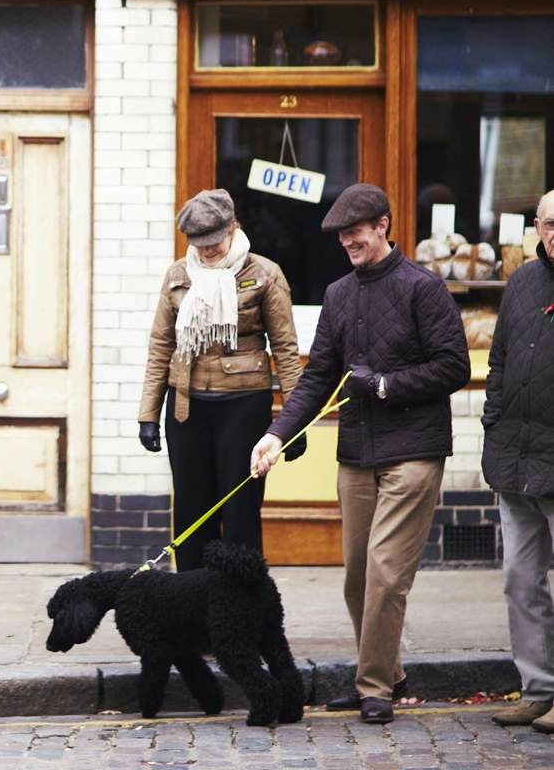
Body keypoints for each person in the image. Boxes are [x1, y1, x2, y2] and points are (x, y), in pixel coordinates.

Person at [250, 183, 470, 724]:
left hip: (414, 450)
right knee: (356, 576)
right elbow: (319, 375)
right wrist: (277, 433)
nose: (348, 240)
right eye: (342, 234)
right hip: (356, 453)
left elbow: (454, 367)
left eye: (357, 230)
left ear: (384, 226)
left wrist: (386, 386)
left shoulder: (424, 288)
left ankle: (373, 686)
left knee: (386, 572)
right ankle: (389, 672)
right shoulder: (338, 295)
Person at [138, 188, 305, 571]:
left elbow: (285, 349)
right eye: (198, 244)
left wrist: (293, 423)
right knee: (192, 511)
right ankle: (191, 606)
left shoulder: (264, 274)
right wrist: (147, 414)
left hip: (244, 406)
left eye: (214, 242)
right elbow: (161, 344)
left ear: (233, 228)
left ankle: (243, 609)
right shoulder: (178, 275)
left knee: (240, 512)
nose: (207, 251)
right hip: (186, 407)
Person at [482, 187, 554, 733]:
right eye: (549, 225)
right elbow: (500, 358)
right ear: (536, 228)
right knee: (519, 579)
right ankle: (538, 688)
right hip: (516, 455)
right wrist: (492, 421)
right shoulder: (522, 283)